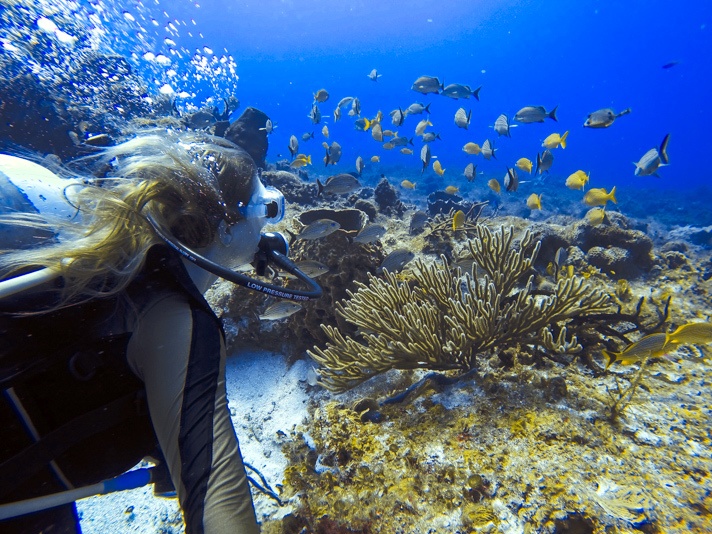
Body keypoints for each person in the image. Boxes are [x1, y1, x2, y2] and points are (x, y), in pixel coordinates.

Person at [0, 131, 319, 533]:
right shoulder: (178, 320)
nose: (268, 222)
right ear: (223, 228)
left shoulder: (111, 264)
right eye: (263, 206)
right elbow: (216, 497)